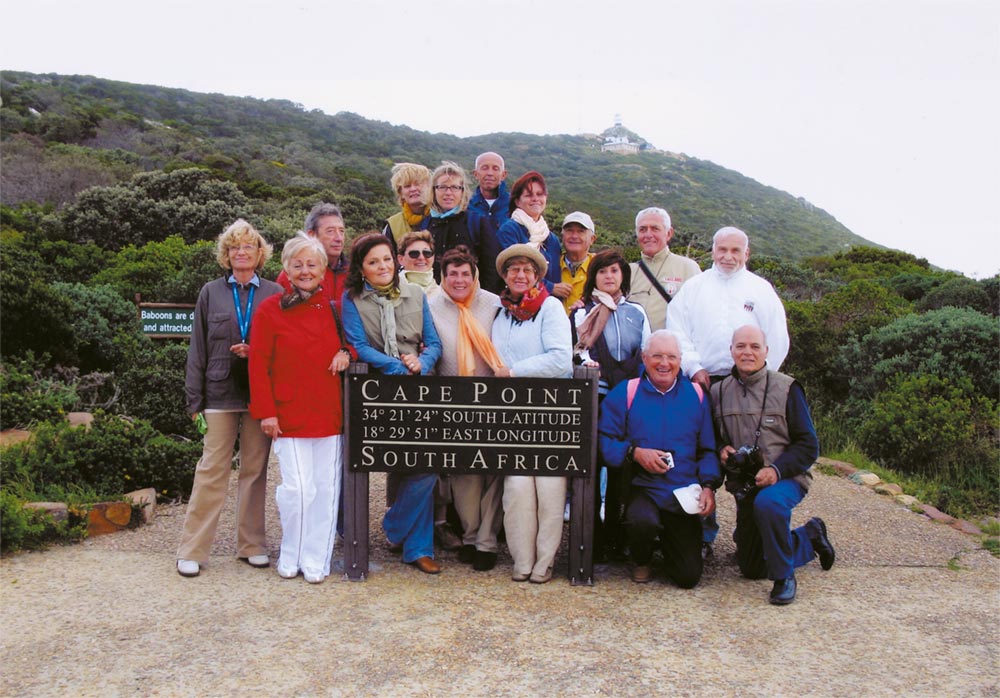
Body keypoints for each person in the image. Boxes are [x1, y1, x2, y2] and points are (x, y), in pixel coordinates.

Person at [666, 225, 790, 558]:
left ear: (746, 253)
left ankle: (748, 537)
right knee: (701, 458)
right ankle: (703, 535)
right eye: (722, 249)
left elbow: (776, 339)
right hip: (702, 384)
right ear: (713, 250)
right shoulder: (694, 288)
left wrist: (760, 380)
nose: (728, 256)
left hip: (747, 388)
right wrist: (694, 367)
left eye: (736, 250)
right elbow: (677, 331)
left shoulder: (761, 290)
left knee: (746, 460)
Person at [176, 220, 284, 578]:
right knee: (211, 470)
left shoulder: (274, 292)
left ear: (259, 253)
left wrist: (257, 352)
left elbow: (283, 347)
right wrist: (194, 401)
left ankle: (252, 545)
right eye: (234, 246)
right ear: (226, 253)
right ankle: (192, 549)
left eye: (248, 246)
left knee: (254, 471)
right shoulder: (210, 292)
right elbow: (197, 349)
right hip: (218, 394)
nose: (241, 252)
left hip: (259, 396)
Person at [248, 234, 351, 584]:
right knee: (297, 490)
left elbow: (354, 342)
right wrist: (267, 412)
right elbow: (258, 364)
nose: (305, 271)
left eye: (312, 264)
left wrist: (346, 353)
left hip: (328, 414)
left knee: (325, 491)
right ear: (286, 269)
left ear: (322, 270)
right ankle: (291, 553)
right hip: (288, 414)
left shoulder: (334, 308)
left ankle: (316, 560)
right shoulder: (269, 309)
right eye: (298, 264)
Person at [341, 232, 444, 574]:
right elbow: (359, 346)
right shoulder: (352, 300)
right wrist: (396, 366)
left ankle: (402, 533)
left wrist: (421, 363)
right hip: (378, 392)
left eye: (386, 258)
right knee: (397, 461)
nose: (382, 266)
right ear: (362, 269)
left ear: (395, 261)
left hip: (419, 389)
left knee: (426, 464)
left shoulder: (416, 293)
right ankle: (414, 545)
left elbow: (433, 343)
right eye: (373, 262)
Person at [711, 325, 835, 605]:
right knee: (752, 567)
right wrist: (721, 449)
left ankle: (784, 578)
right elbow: (712, 436)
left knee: (768, 504)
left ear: (766, 351)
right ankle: (810, 537)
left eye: (755, 346)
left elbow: (808, 445)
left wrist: (776, 471)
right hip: (747, 483)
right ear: (731, 351)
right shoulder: (718, 392)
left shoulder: (787, 387)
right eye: (741, 346)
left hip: (785, 477)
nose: (748, 352)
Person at [598, 330, 721, 588]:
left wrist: (709, 486)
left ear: (680, 360)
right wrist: (634, 453)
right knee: (642, 522)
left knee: (688, 577)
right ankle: (641, 558)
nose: (664, 363)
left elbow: (708, 450)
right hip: (642, 489)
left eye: (671, 357)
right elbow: (603, 440)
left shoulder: (696, 395)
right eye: (657, 356)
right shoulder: (626, 392)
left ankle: (669, 545)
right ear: (644, 358)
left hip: (683, 493)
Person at [491, 244, 573, 583]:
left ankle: (545, 561)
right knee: (517, 490)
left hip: (549, 411)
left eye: (527, 270)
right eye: (514, 270)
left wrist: (514, 372)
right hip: (513, 415)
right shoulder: (500, 313)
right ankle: (522, 560)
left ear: (538, 275)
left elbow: (561, 359)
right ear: (505, 276)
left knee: (550, 490)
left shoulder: (550, 308)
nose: (520, 275)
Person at [427, 247, 506, 571]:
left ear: (474, 276)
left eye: (465, 274)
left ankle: (487, 541)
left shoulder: (494, 304)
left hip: (494, 399)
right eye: (452, 274)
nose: (459, 280)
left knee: (495, 472)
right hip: (453, 401)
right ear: (443, 277)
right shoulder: (430, 306)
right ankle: (471, 535)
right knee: (465, 475)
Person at [571, 249, 651, 560]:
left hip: (628, 399)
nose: (608, 276)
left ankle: (619, 537)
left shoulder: (637, 312)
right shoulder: (582, 312)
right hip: (597, 396)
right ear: (594, 276)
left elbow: (646, 350)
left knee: (622, 467)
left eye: (614, 271)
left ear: (623, 276)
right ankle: (592, 540)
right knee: (592, 466)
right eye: (602, 271)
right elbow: (578, 351)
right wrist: (588, 363)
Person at [426, 161, 502, 293]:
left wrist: (482, 298)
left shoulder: (477, 222)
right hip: (433, 298)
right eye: (442, 187)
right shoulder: (425, 225)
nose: (448, 192)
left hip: (471, 298)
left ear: (463, 192)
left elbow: (491, 267)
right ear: (434, 191)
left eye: (455, 187)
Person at [627, 207, 701, 331]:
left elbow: (700, 312)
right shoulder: (627, 271)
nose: (648, 235)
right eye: (642, 229)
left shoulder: (688, 268)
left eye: (655, 228)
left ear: (669, 233)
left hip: (673, 342)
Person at [496, 171, 562, 293]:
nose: (535, 199)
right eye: (528, 195)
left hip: (547, 300)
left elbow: (556, 276)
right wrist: (550, 287)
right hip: (517, 297)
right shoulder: (509, 230)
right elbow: (513, 269)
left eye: (540, 194)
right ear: (517, 201)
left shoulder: (551, 238)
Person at [276, 202, 349, 310]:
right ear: (312, 235)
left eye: (341, 231)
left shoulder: (354, 273)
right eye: (330, 231)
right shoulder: (294, 275)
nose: (339, 238)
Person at [382, 162, 431, 258]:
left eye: (418, 184)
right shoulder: (392, 225)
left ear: (429, 187)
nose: (413, 189)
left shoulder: (441, 218)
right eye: (407, 186)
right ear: (401, 193)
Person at [553, 211, 597, 313]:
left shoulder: (600, 268)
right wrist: (550, 288)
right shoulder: (550, 266)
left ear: (592, 239)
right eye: (569, 231)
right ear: (562, 236)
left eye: (581, 231)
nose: (574, 236)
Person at [468, 151, 510, 234]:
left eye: (495, 169)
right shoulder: (466, 206)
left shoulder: (514, 204)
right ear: (475, 174)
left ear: (503, 175)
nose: (490, 173)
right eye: (484, 168)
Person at [397, 230, 440, 298]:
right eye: (414, 253)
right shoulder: (392, 292)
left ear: (433, 257)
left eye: (427, 253)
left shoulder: (445, 294)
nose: (421, 258)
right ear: (401, 259)